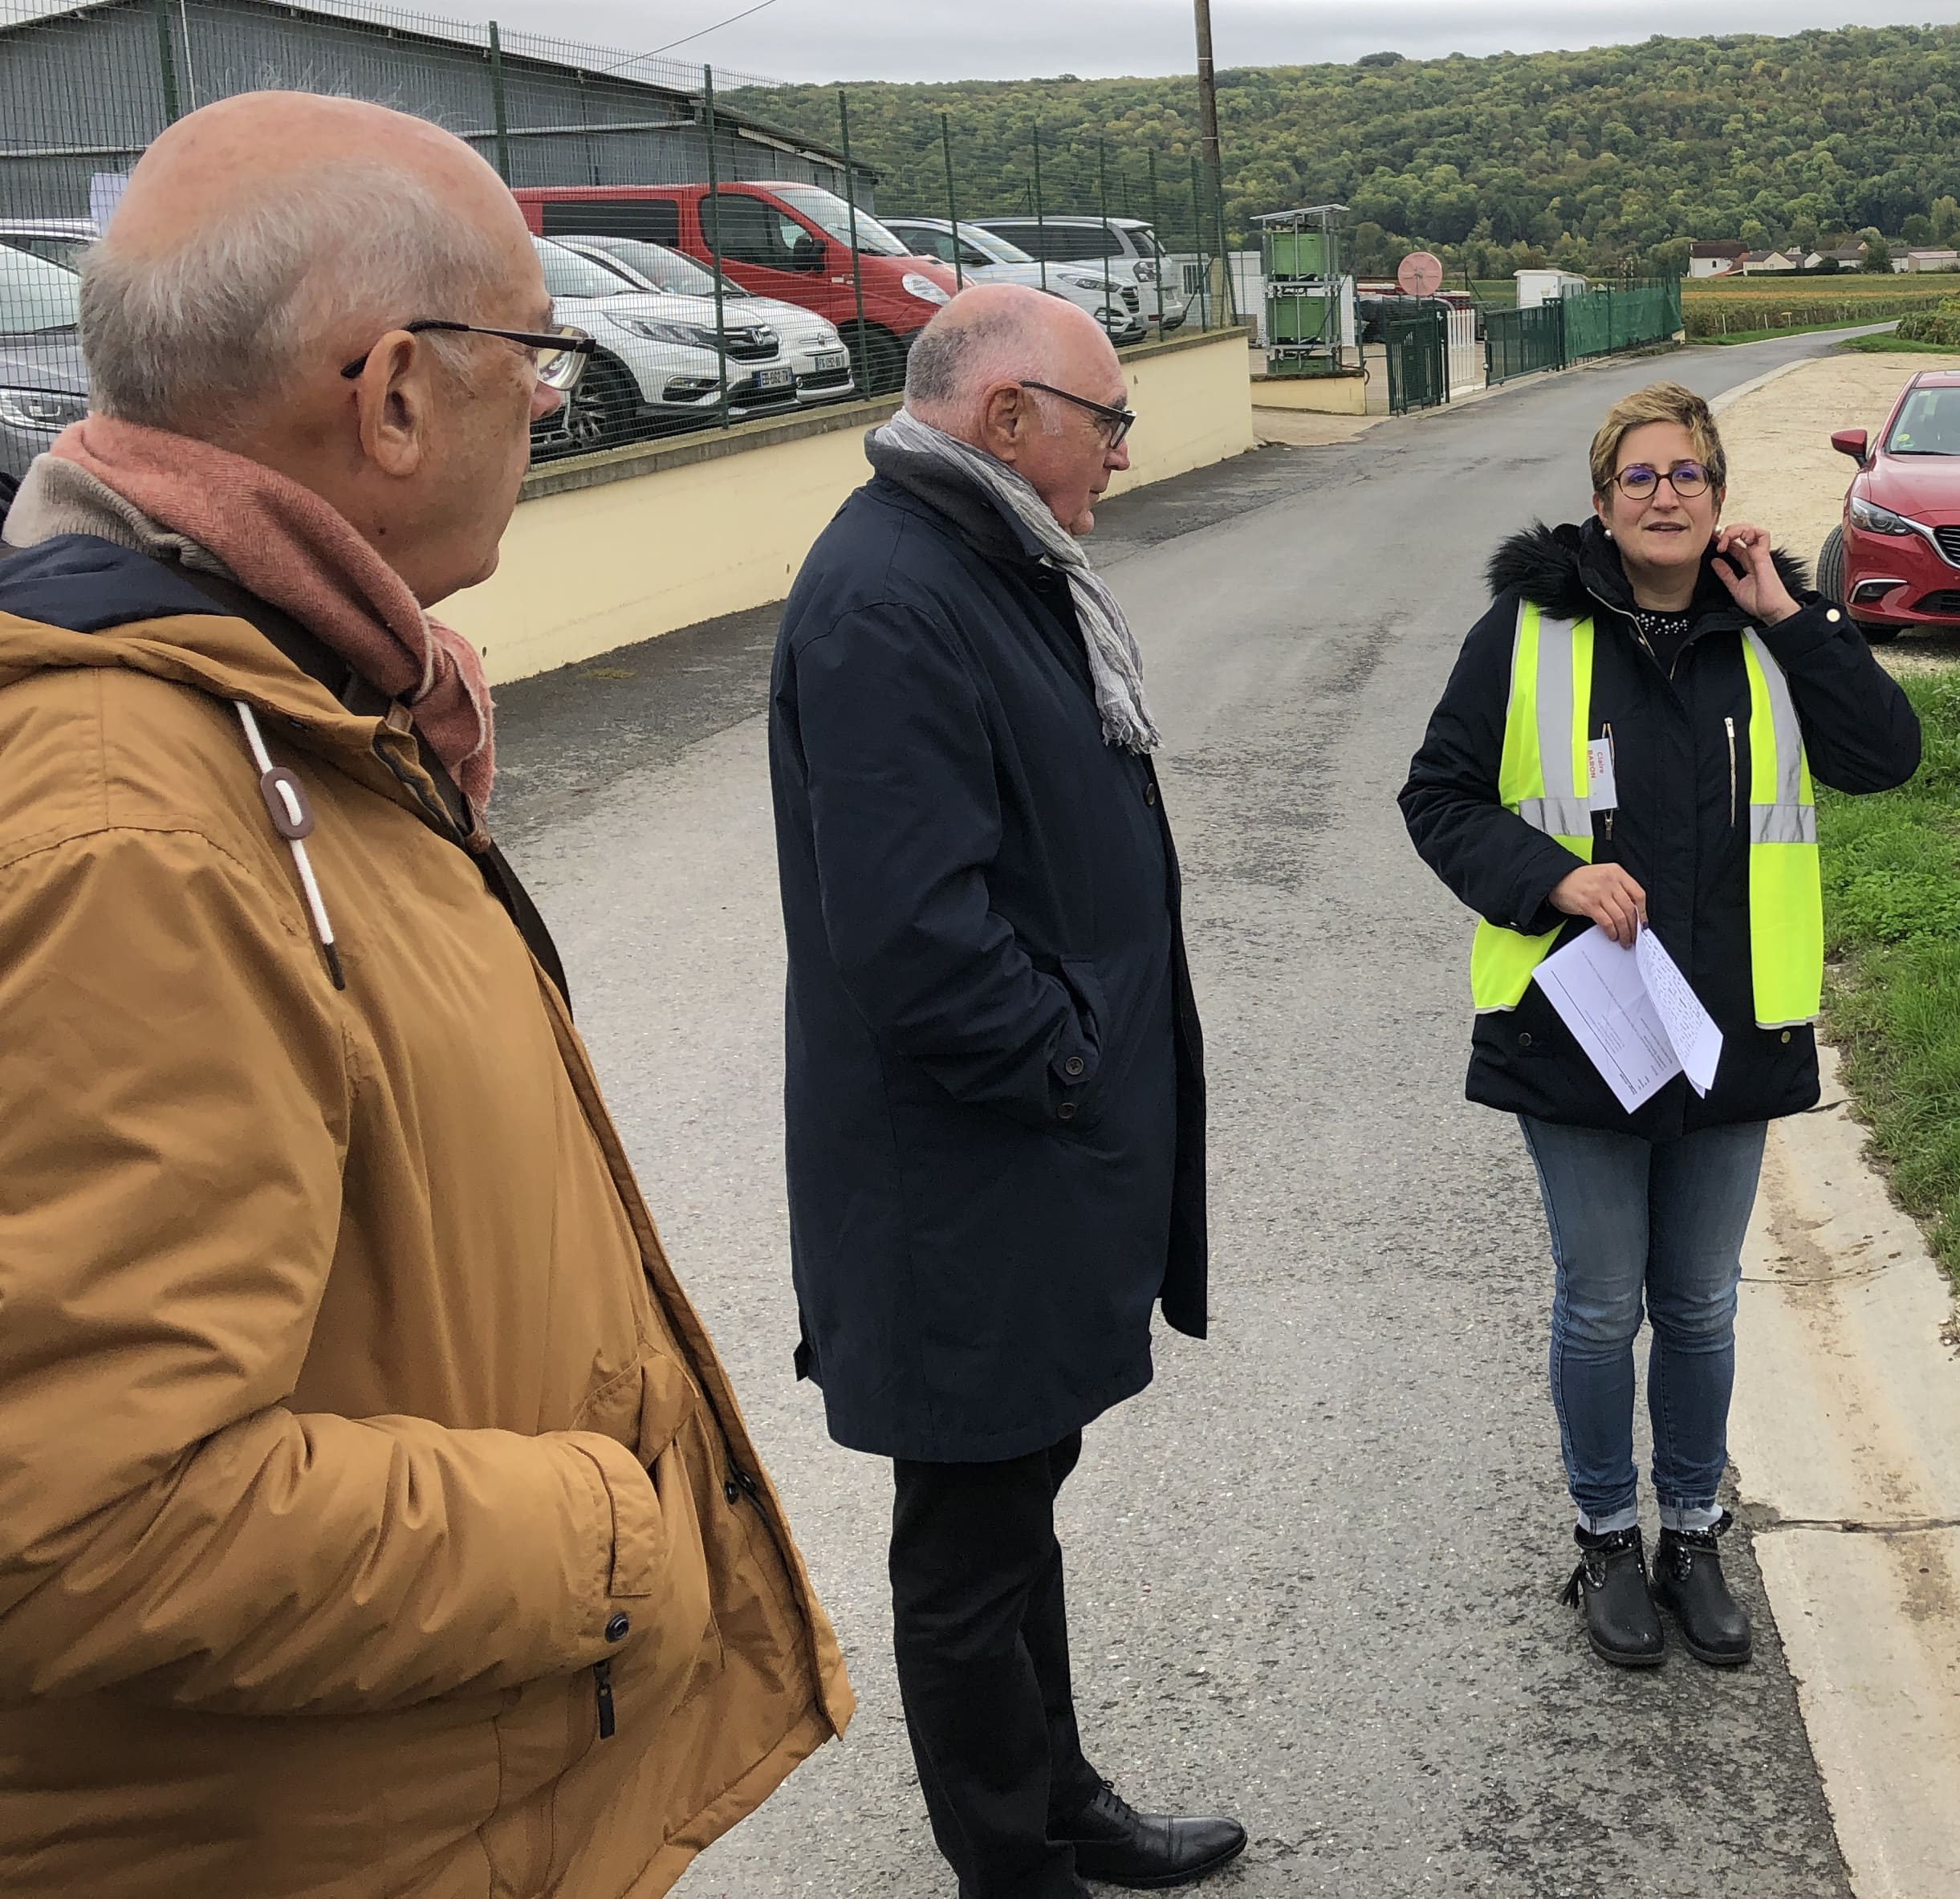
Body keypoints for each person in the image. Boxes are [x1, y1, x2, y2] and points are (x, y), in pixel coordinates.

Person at [0, 93, 848, 1893]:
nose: (553, 397)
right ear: (389, 392)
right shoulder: (135, 827)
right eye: (530, 352)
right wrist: (622, 1540)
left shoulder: (296, 715)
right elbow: (78, 1521)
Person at [771, 287, 1240, 1896]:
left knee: (1018, 1494)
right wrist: (1064, 1061)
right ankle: (1012, 1864)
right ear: (1010, 417)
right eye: (1107, 420)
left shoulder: (987, 557)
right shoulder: (891, 595)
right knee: (967, 1544)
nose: (1123, 447)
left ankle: (1058, 1801)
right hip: (958, 1173)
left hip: (1012, 1156)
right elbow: (911, 929)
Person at [1398, 381, 1920, 1671]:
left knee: (1695, 1303)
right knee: (1596, 1303)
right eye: (1641, 476)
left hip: (1731, 1033)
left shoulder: (1770, 635)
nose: (1666, 494)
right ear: (1600, 499)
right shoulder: (1525, 630)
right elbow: (1439, 795)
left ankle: (1695, 1533)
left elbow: (1884, 755)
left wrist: (1794, 618)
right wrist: (1554, 878)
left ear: (1722, 500)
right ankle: (1606, 1541)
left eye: (1689, 475)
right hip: (1577, 1025)